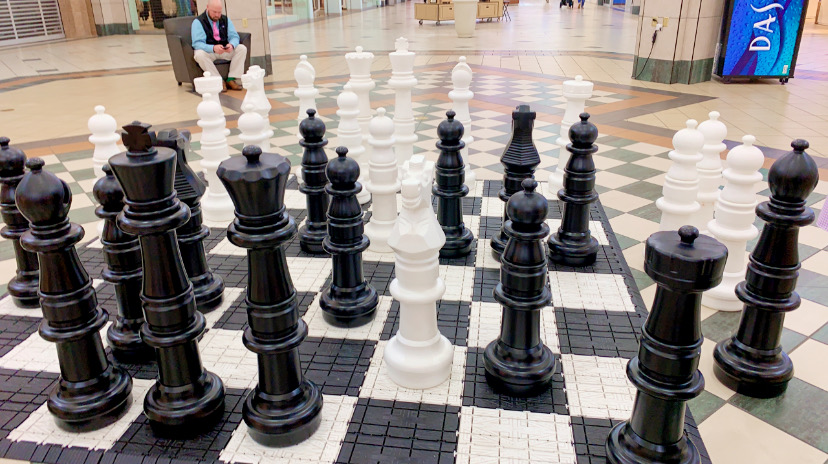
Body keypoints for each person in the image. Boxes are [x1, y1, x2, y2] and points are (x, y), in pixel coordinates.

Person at [191, 0, 247, 91]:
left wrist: (231, 45)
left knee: (241, 48)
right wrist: (213, 48)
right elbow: (197, 44)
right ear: (207, 8)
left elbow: (234, 36)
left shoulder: (225, 20)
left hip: (224, 50)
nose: (217, 15)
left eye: (219, 12)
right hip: (209, 52)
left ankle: (231, 79)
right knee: (199, 55)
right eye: (214, 12)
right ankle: (218, 81)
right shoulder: (198, 22)